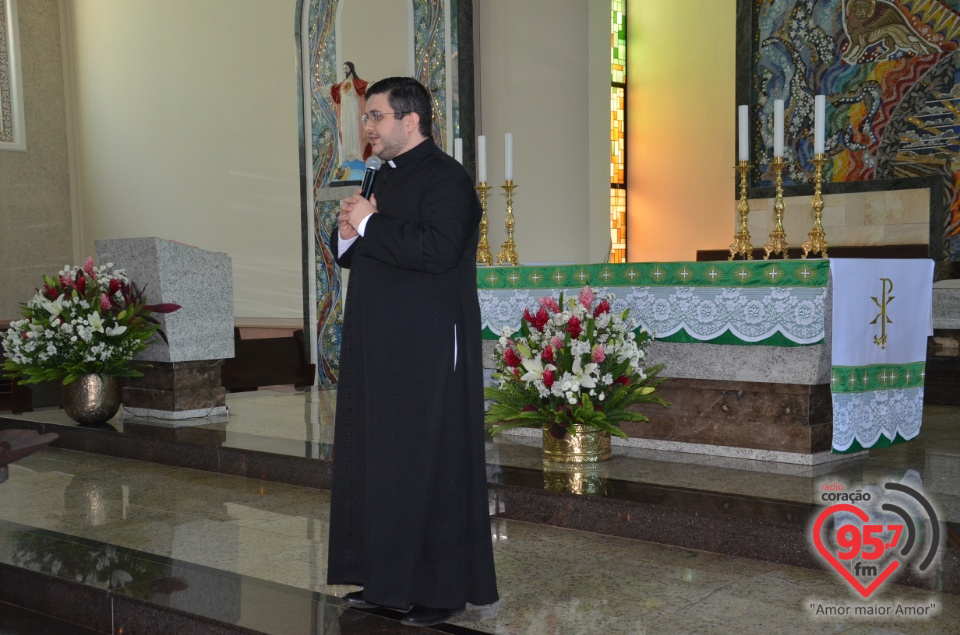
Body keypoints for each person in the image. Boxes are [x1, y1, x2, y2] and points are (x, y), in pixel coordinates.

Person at [326, 76, 499, 627]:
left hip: (426, 350)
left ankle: (438, 589)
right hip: (379, 347)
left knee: (431, 461)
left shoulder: (448, 180)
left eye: (376, 116)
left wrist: (371, 221)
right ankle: (385, 582)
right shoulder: (381, 174)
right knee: (382, 462)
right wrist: (349, 233)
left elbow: (436, 250)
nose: (368, 127)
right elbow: (368, 254)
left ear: (410, 120)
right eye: (367, 118)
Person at [329, 62, 371, 165]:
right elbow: (332, 89)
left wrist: (372, 85)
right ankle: (347, 153)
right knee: (346, 129)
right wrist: (320, 89)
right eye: (344, 68)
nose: (345, 70)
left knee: (355, 128)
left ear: (351, 68)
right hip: (344, 111)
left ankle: (356, 153)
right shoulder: (343, 84)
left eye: (346, 68)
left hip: (354, 109)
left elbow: (367, 86)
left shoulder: (357, 83)